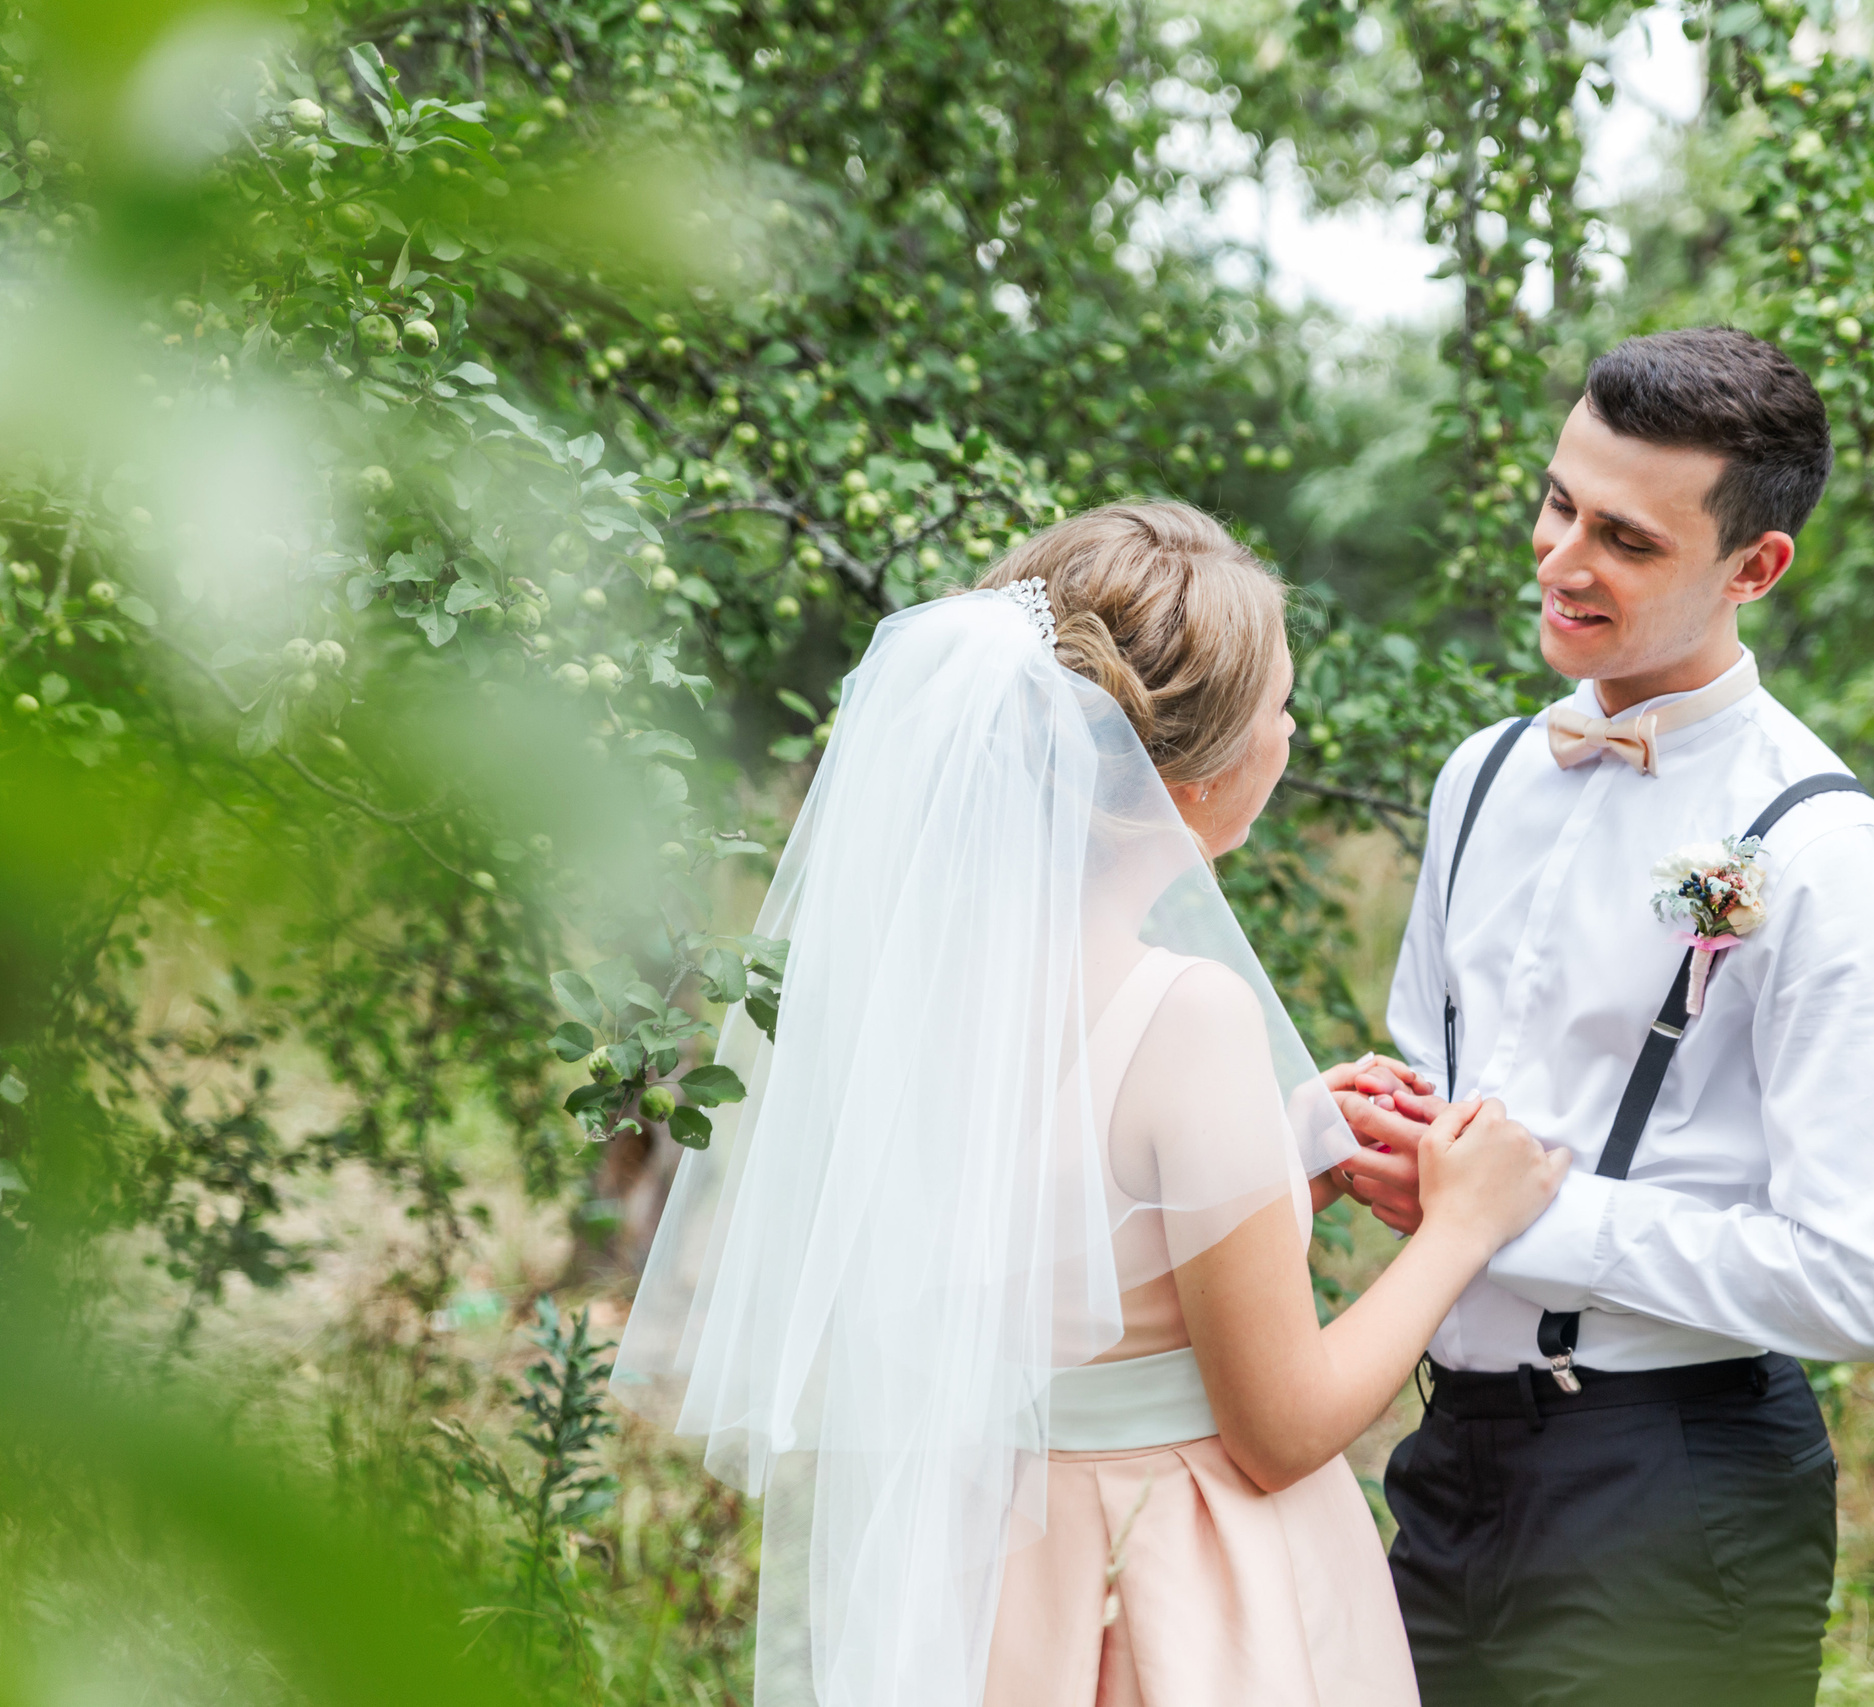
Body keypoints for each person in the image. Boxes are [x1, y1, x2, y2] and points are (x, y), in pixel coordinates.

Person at [611, 500, 1568, 1707]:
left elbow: (1067, 1250)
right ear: (1209, 772)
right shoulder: (1189, 1016)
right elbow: (1281, 1428)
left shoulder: (911, 988)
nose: (1288, 729)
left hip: (998, 1573)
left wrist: (1281, 1160)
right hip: (1167, 1579)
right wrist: (1466, 1227)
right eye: (1280, 705)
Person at [1326, 328, 1874, 1706]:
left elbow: (1873, 1281)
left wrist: (1516, 1212)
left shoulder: (1827, 854)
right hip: (1446, 1465)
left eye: (1624, 535)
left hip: (1677, 1492)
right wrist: (1372, 1133)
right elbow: (1444, 1089)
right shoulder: (1476, 776)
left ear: (1755, 566)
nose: (1560, 558)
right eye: (1557, 503)